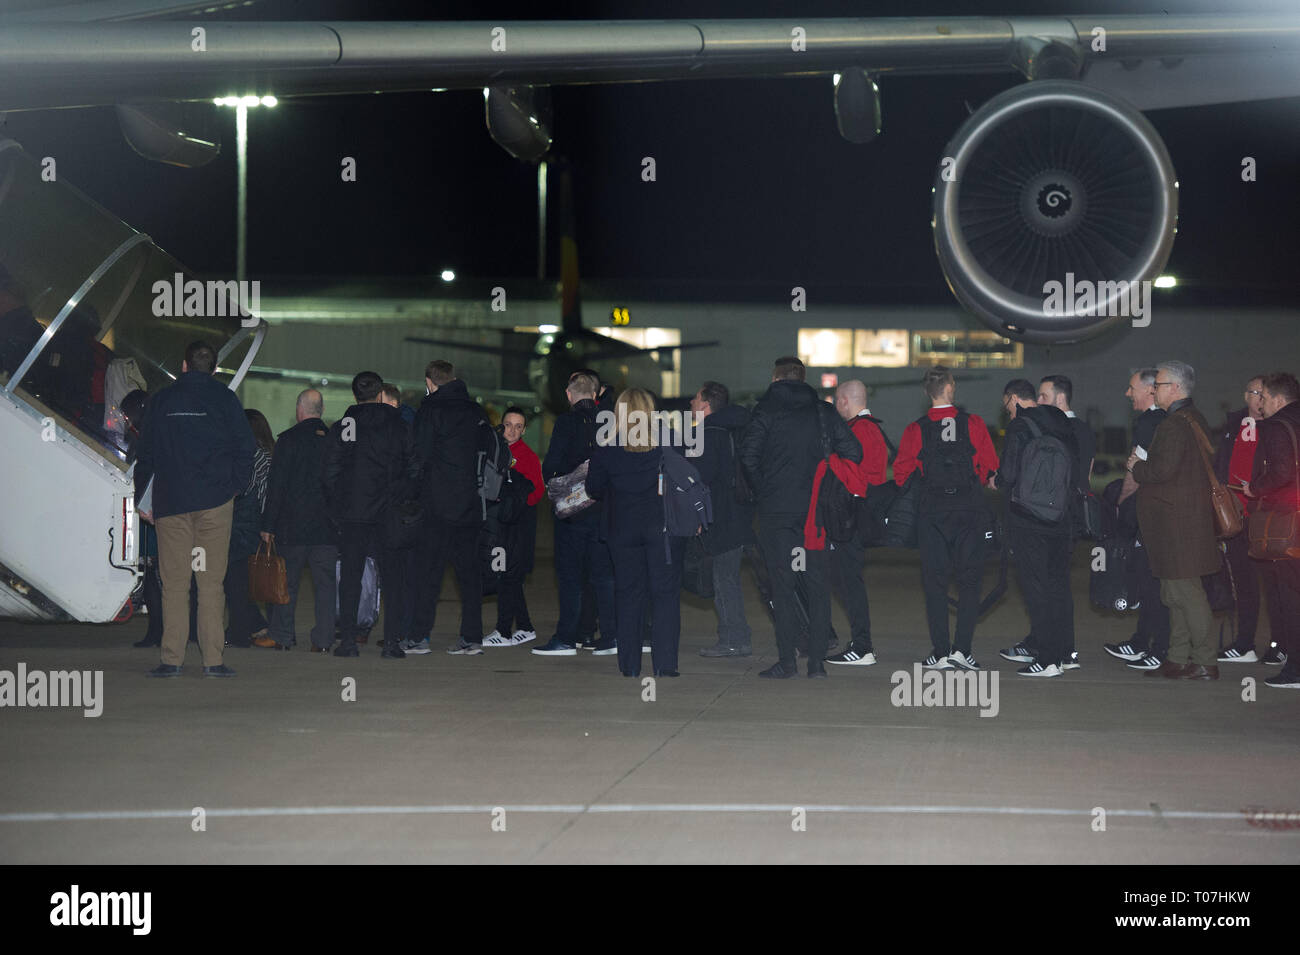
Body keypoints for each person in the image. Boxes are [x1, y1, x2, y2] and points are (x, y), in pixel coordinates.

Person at [135, 341, 255, 678]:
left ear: (184, 365)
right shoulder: (226, 400)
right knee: (210, 583)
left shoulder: (162, 400)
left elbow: (145, 455)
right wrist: (236, 487)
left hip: (172, 503)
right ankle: (213, 661)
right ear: (214, 369)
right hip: (215, 505)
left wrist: (145, 499)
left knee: (173, 583)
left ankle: (171, 659)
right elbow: (246, 448)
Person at [740, 356, 861, 678]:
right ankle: (818, 664)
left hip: (776, 513)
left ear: (776, 379)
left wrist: (765, 491)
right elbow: (854, 452)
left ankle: (787, 661)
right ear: (803, 378)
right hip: (815, 513)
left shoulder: (764, 411)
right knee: (818, 585)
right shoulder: (822, 411)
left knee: (783, 587)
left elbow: (747, 457)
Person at [893, 365, 999, 671]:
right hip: (969, 510)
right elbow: (990, 465)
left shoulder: (916, 429)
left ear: (927, 392)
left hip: (932, 513)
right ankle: (961, 650)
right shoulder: (974, 423)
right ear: (951, 388)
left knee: (935, 583)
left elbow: (902, 475)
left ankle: (939, 651)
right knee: (969, 581)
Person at [1128, 361, 1220, 680]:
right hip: (1181, 522)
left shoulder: (1174, 424)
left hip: (1178, 524)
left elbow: (1160, 471)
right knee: (1175, 594)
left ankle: (1206, 660)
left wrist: (1136, 467)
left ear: (1177, 388)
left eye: (1161, 385)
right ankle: (1179, 657)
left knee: (1187, 595)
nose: (1155, 390)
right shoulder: (1191, 419)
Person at [587, 388, 686, 677]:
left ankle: (629, 666)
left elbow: (593, 488)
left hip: (622, 531)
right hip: (662, 530)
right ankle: (665, 666)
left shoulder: (606, 447)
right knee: (665, 596)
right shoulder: (668, 443)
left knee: (629, 596)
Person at [991, 379, 1078, 676]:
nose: (1007, 412)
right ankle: (1064, 652)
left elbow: (1009, 473)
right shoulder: (1059, 420)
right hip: (1061, 517)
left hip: (1028, 519)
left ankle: (1047, 659)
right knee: (1057, 587)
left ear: (1014, 399)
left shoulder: (1020, 426)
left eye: (1006, 406)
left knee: (1035, 588)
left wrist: (996, 481)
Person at [324, 371, 411, 659]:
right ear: (380, 393)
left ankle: (348, 641)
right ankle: (391, 643)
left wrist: (339, 506)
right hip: (388, 512)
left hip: (354, 514)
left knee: (350, 578)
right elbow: (414, 465)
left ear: (354, 394)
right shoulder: (397, 424)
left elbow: (331, 471)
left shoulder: (346, 425)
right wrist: (400, 498)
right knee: (394, 578)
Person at [406, 360, 490, 656]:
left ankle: (419, 637)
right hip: (469, 505)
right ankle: (472, 638)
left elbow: (419, 457)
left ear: (430, 382)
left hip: (436, 505)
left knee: (429, 574)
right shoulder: (475, 411)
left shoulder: (430, 411)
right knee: (469, 575)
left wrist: (411, 495)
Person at [535, 370, 617, 657]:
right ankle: (610, 637)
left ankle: (567, 638)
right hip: (603, 510)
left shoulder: (566, 422)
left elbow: (553, 464)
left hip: (572, 514)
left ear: (569, 395)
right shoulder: (608, 421)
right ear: (596, 395)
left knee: (570, 578)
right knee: (603, 577)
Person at [1103, 368, 1172, 670]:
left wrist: (1120, 504)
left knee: (1150, 582)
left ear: (1149, 391)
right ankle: (1143, 640)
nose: (1127, 394)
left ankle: (1159, 646)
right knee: (1149, 581)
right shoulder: (1166, 420)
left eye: (1132, 388)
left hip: (1148, 512)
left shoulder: (1148, 422)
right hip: (1163, 511)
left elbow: (1136, 471)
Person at [259, 389, 337, 653]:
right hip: (327, 528)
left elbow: (276, 487)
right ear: (321, 410)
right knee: (325, 586)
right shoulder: (334, 441)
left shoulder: (288, 441)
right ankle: (324, 641)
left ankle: (282, 636)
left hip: (292, 527)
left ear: (298, 410)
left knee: (286, 583)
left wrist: (268, 525)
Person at [822, 380, 890, 667]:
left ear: (844, 401)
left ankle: (862, 646)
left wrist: (828, 459)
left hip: (852, 518)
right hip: (857, 515)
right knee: (845, 580)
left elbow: (858, 478)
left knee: (850, 582)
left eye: (838, 401)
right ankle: (858, 643)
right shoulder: (871, 429)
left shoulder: (861, 431)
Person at [692, 381, 756, 658]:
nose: (691, 405)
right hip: (742, 514)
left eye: (695, 400)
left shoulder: (709, 433)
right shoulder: (740, 428)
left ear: (706, 405)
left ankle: (734, 638)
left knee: (724, 580)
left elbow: (701, 479)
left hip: (721, 517)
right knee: (727, 577)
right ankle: (735, 636)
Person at [1245, 372, 1300, 689]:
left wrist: (1255, 488)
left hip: (1289, 523)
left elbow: (1279, 471)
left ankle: (1294, 668)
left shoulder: (1278, 426)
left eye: (1263, 397)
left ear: (1278, 399)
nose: (1259, 403)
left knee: (1289, 595)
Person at [1213, 376, 1267, 664]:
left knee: (1275, 584)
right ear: (1246, 396)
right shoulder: (1233, 425)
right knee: (1243, 582)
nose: (1260, 397)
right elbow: (1220, 464)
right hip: (1235, 515)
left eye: (1264, 392)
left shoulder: (1278, 425)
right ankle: (1245, 643)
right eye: (1255, 392)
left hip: (1265, 514)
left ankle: (1282, 645)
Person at [483, 406, 543, 647]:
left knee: (509, 576)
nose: (513, 430)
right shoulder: (497, 449)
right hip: (501, 525)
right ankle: (526, 627)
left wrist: (513, 503)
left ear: (524, 430)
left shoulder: (525, 456)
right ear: (501, 424)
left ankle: (504, 631)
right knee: (509, 577)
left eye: (519, 426)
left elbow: (537, 491)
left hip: (517, 526)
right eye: (509, 424)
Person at [226, 409, 274, 648]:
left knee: (234, 580)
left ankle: (241, 631)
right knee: (239, 581)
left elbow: (254, 492)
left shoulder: (253, 457)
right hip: (253, 527)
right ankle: (250, 625)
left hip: (243, 526)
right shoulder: (267, 455)